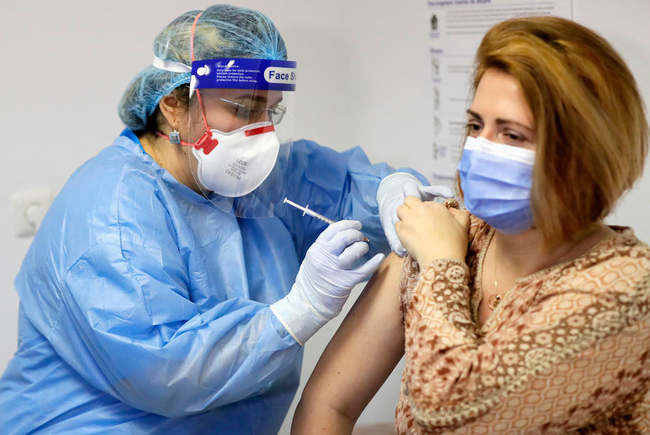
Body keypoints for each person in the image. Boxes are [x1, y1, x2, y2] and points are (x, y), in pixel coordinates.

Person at [0, 5, 441, 434]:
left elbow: (345, 190)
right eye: (244, 109)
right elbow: (163, 369)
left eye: (271, 111)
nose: (262, 132)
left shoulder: (256, 183)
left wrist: (392, 190)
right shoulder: (111, 215)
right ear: (173, 104)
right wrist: (298, 311)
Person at [293, 16, 650, 434]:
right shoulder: (452, 231)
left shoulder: (625, 289)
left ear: (585, 155)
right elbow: (328, 405)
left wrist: (441, 263)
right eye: (477, 126)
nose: (479, 150)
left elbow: (453, 418)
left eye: (512, 135)